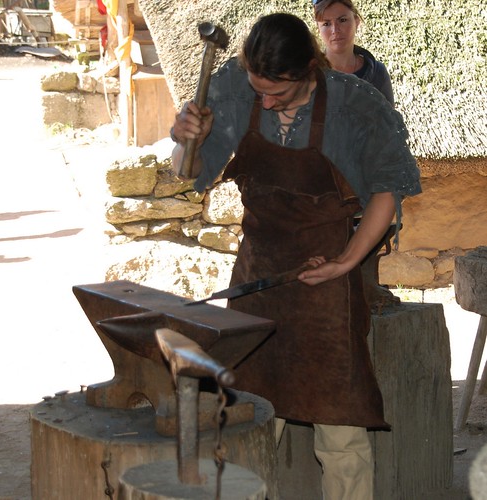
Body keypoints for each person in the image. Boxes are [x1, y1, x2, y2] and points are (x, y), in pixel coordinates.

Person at [171, 13, 420, 500]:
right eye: (257, 89)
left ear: (309, 68)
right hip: (257, 278)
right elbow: (187, 171)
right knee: (251, 426)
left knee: (341, 434)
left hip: (324, 284)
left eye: (278, 94)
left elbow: (389, 190)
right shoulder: (232, 90)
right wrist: (188, 141)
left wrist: (347, 262)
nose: (264, 102)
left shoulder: (354, 105)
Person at [313, 0, 395, 105]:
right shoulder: (308, 75)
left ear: (356, 22)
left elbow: (391, 120)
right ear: (318, 28)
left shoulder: (377, 74)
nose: (335, 30)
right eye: (326, 23)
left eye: (342, 20)